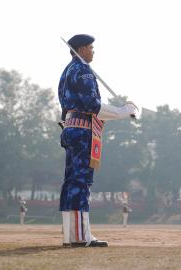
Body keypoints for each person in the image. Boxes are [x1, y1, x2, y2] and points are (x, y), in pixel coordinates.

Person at [58, 34, 137, 247]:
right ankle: (81, 236)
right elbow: (93, 106)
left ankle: (71, 235)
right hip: (83, 129)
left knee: (71, 182)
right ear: (82, 49)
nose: (93, 51)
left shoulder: (67, 71)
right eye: (91, 48)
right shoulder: (83, 71)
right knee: (81, 183)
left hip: (70, 127)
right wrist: (123, 111)